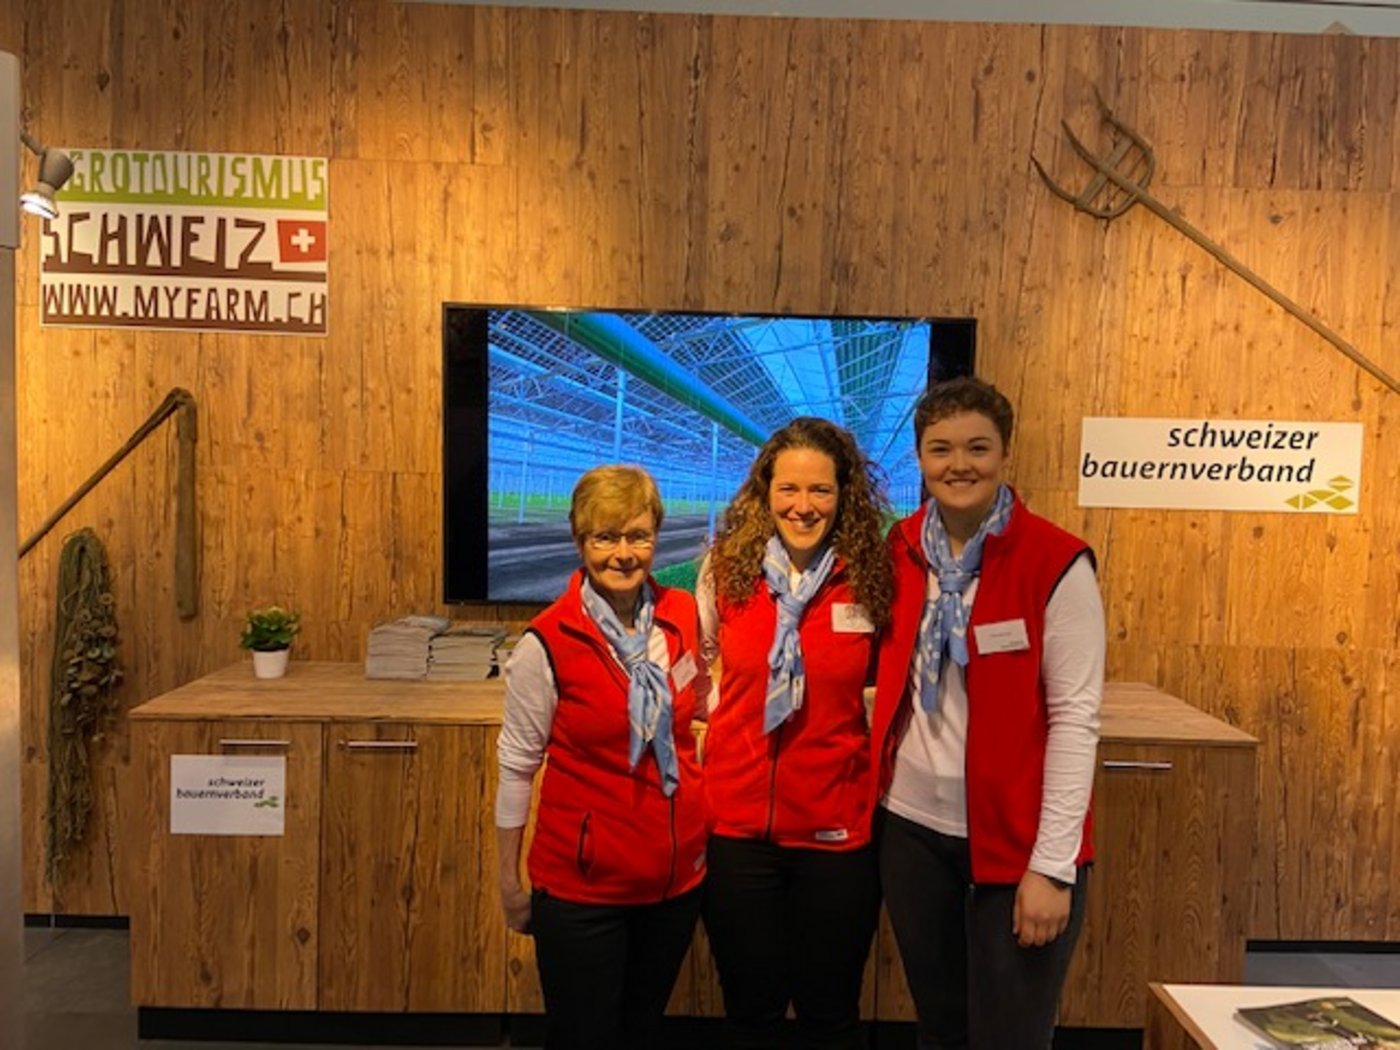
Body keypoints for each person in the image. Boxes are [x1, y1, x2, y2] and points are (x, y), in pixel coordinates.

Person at [871, 376, 1106, 1050]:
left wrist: (1053, 866)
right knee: (940, 1028)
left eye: (978, 447)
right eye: (941, 449)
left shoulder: (1055, 562)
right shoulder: (901, 549)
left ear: (1005, 453)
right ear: (920, 457)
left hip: (1018, 842)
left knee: (1010, 1035)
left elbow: (1075, 720)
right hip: (912, 833)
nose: (959, 465)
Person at [495, 465, 707, 1050]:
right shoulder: (547, 642)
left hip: (673, 886)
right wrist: (509, 882)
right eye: (605, 537)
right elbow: (517, 766)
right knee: (584, 1036)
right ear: (579, 539)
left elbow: (695, 705)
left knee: (642, 1030)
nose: (623, 553)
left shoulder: (681, 615)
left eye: (638, 535)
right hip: (584, 893)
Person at [698, 417, 892, 1050]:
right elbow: (698, 667)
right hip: (737, 833)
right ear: (765, 491)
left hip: (835, 836)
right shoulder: (725, 570)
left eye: (820, 490)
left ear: (843, 495)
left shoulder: (873, 577)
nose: (803, 506)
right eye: (788, 488)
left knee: (828, 1016)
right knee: (750, 1014)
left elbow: (889, 688)